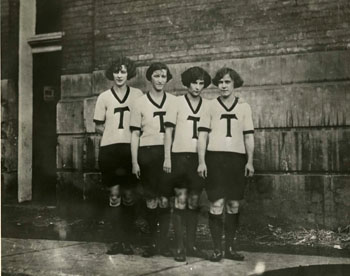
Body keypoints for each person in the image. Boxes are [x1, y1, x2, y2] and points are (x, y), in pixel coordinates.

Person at [197, 67, 254, 262]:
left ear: (234, 83)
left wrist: (250, 161)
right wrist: (202, 161)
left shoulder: (244, 107)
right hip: (215, 159)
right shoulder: (210, 106)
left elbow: (248, 137)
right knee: (217, 204)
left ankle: (230, 247)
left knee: (233, 204)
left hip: (237, 160)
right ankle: (217, 249)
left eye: (227, 82)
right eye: (220, 82)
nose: (223, 86)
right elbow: (202, 136)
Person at [93, 56, 143, 255]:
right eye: (116, 71)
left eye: (123, 71)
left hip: (130, 151)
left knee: (129, 196)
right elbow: (98, 124)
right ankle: (117, 241)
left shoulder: (138, 95)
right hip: (110, 151)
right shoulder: (104, 97)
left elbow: (143, 121)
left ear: (128, 73)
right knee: (114, 196)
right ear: (111, 74)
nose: (119, 75)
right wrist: (112, 133)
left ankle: (128, 240)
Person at [163, 66, 211, 262]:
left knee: (193, 202)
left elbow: (206, 135)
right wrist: (167, 158)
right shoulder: (175, 103)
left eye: (201, 83)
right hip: (179, 157)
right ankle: (180, 246)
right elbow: (168, 133)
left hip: (198, 159)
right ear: (187, 83)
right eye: (194, 82)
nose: (197, 87)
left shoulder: (208, 105)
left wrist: (202, 161)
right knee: (180, 202)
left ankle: (191, 245)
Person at [130, 62, 176, 258]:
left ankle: (163, 243)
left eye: (163, 76)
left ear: (167, 79)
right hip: (147, 153)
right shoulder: (139, 102)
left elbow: (198, 105)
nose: (160, 80)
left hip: (168, 153)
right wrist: (134, 161)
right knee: (150, 198)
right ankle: (152, 243)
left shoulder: (174, 101)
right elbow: (134, 134)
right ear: (150, 78)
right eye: (156, 76)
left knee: (165, 199)